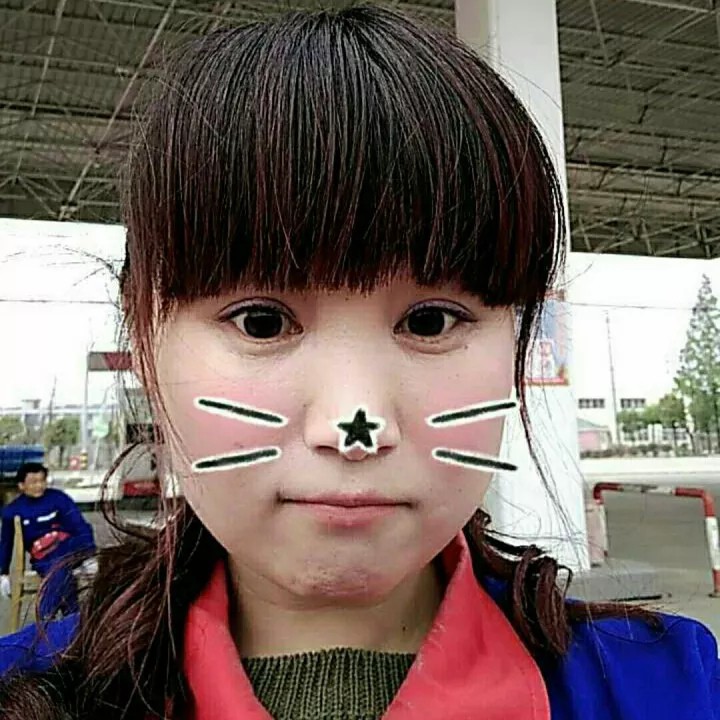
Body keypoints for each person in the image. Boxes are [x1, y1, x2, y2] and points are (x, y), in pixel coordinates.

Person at [0, 6, 717, 719]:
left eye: (431, 321)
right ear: (145, 339)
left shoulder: (675, 688)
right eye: (261, 322)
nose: (355, 428)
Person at [0, 462, 97, 619]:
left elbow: (79, 525)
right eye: (33, 482)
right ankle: (67, 619)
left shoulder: (58, 498)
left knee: (63, 562)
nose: (39, 486)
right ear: (21, 485)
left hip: (71, 547)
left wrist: (90, 553)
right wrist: (3, 573)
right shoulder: (12, 511)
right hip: (44, 557)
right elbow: (6, 543)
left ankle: (45, 621)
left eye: (42, 480)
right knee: (61, 571)